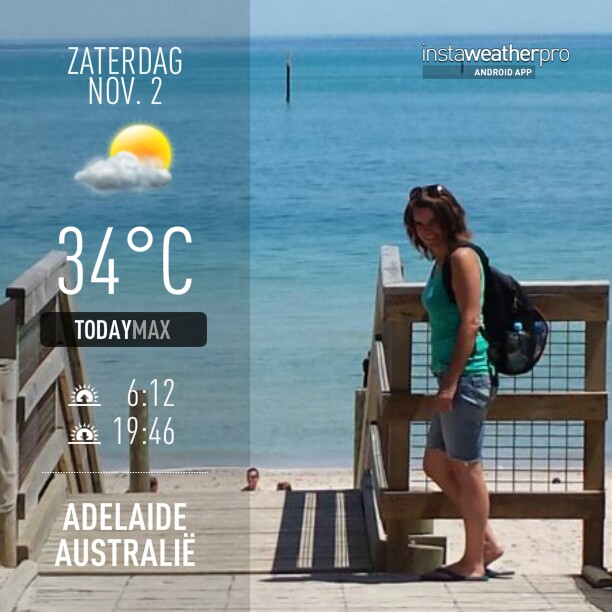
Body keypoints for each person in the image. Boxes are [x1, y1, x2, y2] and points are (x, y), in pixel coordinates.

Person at [404, 184, 502, 581]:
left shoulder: (462, 258)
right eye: (419, 224)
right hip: (453, 375)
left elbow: (470, 321)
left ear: (450, 219)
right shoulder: (440, 261)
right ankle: (487, 543)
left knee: (467, 467)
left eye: (433, 222)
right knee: (435, 463)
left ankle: (474, 561)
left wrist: (450, 383)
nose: (426, 230)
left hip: (468, 376)